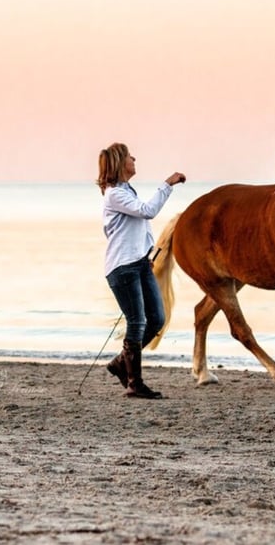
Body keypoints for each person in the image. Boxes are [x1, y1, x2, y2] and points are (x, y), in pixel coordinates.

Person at [96, 143, 186, 399]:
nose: (134, 158)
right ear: (118, 163)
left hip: (139, 263)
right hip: (122, 268)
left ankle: (119, 364)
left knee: (156, 318)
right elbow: (147, 212)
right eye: (128, 156)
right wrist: (167, 184)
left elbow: (136, 228)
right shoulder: (114, 194)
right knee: (137, 322)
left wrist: (146, 253)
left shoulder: (126, 191)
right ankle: (134, 383)